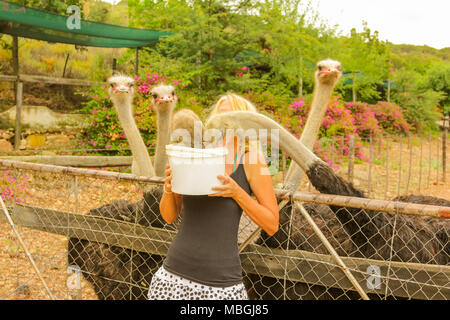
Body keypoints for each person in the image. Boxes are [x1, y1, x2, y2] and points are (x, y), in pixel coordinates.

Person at [147, 93, 279, 300]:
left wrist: (237, 193)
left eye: (230, 114)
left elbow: (272, 224)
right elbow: (169, 216)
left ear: (245, 121)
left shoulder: (252, 161)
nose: (222, 120)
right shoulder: (197, 154)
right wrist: (168, 187)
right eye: (219, 114)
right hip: (173, 276)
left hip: (221, 285)